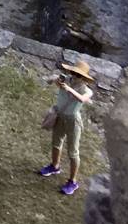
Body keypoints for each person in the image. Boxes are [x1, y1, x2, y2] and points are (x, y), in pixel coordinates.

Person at [40, 58, 96, 196]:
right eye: (72, 73)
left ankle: (73, 181)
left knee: (73, 152)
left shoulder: (87, 90)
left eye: (77, 75)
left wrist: (69, 89)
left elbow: (82, 99)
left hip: (73, 120)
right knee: (56, 142)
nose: (73, 76)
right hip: (60, 116)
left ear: (83, 78)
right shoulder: (64, 81)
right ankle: (54, 166)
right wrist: (54, 79)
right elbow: (47, 81)